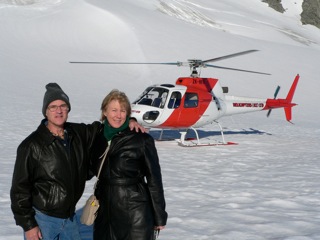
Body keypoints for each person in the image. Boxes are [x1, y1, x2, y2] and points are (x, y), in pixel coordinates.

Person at [10, 83, 144, 240]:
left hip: (69, 219)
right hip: (43, 221)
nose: (59, 111)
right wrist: (29, 225)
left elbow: (105, 127)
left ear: (68, 109)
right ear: (46, 111)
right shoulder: (31, 146)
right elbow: (19, 190)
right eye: (53, 107)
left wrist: (129, 121)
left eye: (63, 106)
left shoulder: (78, 134)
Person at [90, 89, 168, 240]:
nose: (118, 115)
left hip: (135, 214)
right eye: (114, 110)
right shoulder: (97, 136)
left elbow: (154, 180)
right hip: (105, 214)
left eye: (123, 110)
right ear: (104, 112)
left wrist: (159, 215)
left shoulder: (141, 139)